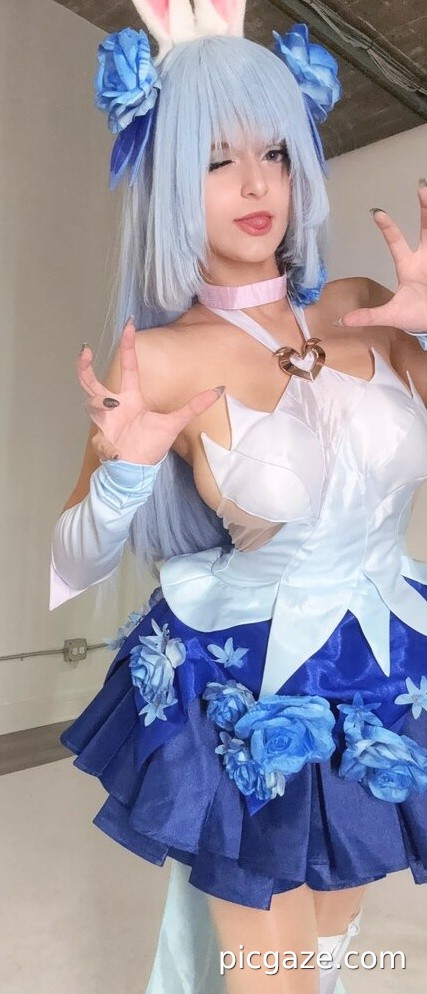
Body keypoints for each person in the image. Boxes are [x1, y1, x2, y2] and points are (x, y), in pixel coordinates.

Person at [50, 2, 427, 991]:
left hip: (383, 661)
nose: (257, 183)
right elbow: (73, 565)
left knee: (328, 951)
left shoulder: (362, 304)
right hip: (247, 681)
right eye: (217, 160)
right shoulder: (161, 356)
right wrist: (127, 470)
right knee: (269, 973)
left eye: (275, 152)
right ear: (170, 177)